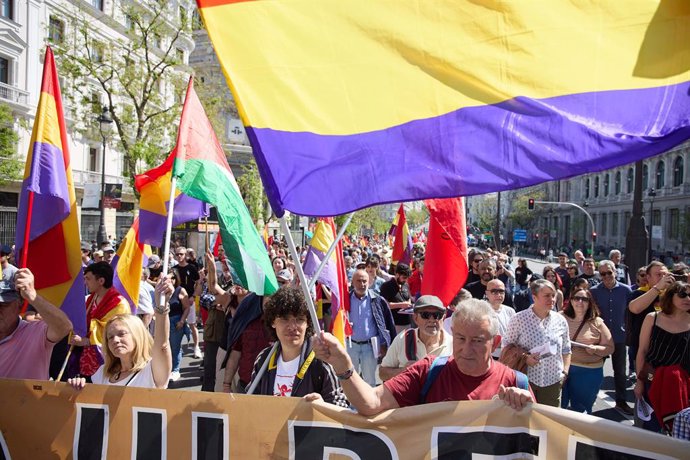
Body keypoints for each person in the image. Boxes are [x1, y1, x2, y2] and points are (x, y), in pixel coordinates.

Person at [313, 299, 534, 415]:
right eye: (460, 338)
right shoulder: (429, 370)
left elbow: (541, 438)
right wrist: (344, 366)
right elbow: (372, 402)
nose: (467, 349)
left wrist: (525, 406)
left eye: (477, 341)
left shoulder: (515, 383)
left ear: (495, 343)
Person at [246, 286, 348, 406]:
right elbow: (251, 403)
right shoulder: (264, 359)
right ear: (273, 322)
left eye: (299, 319)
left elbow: (341, 407)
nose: (293, 327)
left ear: (308, 323)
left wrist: (323, 407)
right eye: (285, 319)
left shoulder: (321, 361)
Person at [68, 278, 173, 389]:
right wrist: (78, 386)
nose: (115, 340)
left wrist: (162, 306)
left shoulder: (153, 370)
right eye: (110, 337)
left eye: (122, 334)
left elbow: (162, 346)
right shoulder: (102, 374)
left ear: (137, 335)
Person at [503, 279, 572, 407]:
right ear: (534, 297)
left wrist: (564, 373)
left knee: (548, 419)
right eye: (546, 295)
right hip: (525, 379)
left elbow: (566, 349)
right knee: (523, 416)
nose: (551, 299)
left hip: (553, 380)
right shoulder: (519, 319)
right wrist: (525, 358)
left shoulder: (560, 320)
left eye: (553, 295)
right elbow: (506, 346)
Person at [634, 281, 690, 433]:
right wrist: (639, 383)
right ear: (671, 296)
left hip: (679, 386)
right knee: (649, 427)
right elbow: (642, 351)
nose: (688, 299)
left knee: (675, 429)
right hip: (651, 379)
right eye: (683, 294)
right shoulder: (653, 318)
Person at [0, 269, 72, 379]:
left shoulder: (35, 333)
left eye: (3, 305)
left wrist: (32, 296)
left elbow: (64, 327)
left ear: (20, 305)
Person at [69, 262, 130, 377]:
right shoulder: (92, 298)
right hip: (85, 357)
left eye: (88, 279)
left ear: (101, 281)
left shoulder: (119, 303)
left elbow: (112, 329)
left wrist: (86, 341)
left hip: (107, 357)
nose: (85, 282)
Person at [560, 287, 614, 414]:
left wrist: (596, 349)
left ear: (590, 303)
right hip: (561, 369)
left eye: (584, 299)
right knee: (558, 407)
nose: (580, 301)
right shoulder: (559, 317)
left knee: (581, 410)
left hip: (588, 373)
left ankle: (577, 434)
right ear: (571, 300)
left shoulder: (597, 322)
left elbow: (610, 348)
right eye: (576, 298)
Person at [590, 259, 634, 415]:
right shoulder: (594, 291)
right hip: (599, 338)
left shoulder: (626, 290)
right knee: (595, 370)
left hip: (619, 337)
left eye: (609, 272)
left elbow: (632, 312)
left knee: (620, 371)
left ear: (615, 271)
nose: (607, 276)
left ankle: (621, 401)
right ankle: (590, 398)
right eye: (603, 274)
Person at [380, 295, 452, 380]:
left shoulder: (453, 344)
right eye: (425, 315)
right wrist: (404, 371)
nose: (432, 320)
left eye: (437, 315)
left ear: (443, 318)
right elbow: (382, 373)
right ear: (415, 318)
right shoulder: (402, 339)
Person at [346, 269, 397, 386]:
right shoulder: (346, 300)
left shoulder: (377, 300)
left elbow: (387, 323)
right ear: (352, 282)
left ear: (369, 282)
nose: (362, 284)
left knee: (369, 380)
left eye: (364, 281)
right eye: (358, 281)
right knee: (350, 379)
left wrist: (385, 343)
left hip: (370, 347)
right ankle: (353, 404)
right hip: (351, 345)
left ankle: (368, 403)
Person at [168, 267, 191, 382]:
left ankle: (175, 370)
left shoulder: (180, 290)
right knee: (165, 347)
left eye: (173, 278)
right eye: (168, 278)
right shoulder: (162, 291)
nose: (171, 280)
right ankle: (168, 368)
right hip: (164, 322)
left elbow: (187, 308)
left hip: (176, 321)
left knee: (175, 348)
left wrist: (182, 321)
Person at [485, 279, 516, 359]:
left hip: (508, 356)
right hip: (489, 356)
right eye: (494, 291)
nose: (498, 294)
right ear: (487, 293)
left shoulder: (510, 311)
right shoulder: (481, 311)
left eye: (501, 291)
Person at [379, 263, 412, 333]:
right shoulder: (386, 286)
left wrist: (409, 305)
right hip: (394, 323)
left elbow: (408, 298)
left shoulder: (405, 285)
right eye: (404, 278)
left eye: (407, 278)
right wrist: (401, 305)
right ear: (397, 274)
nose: (405, 280)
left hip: (407, 323)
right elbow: (384, 305)